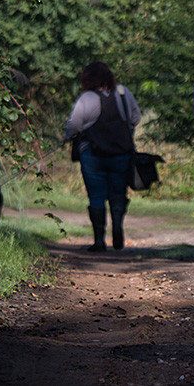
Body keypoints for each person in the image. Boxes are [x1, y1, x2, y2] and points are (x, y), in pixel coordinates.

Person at [65, 61, 142, 253]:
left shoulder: (86, 98)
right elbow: (136, 118)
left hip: (92, 155)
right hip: (121, 152)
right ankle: (117, 226)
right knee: (118, 193)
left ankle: (99, 240)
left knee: (96, 195)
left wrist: (68, 136)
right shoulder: (123, 93)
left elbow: (73, 125)